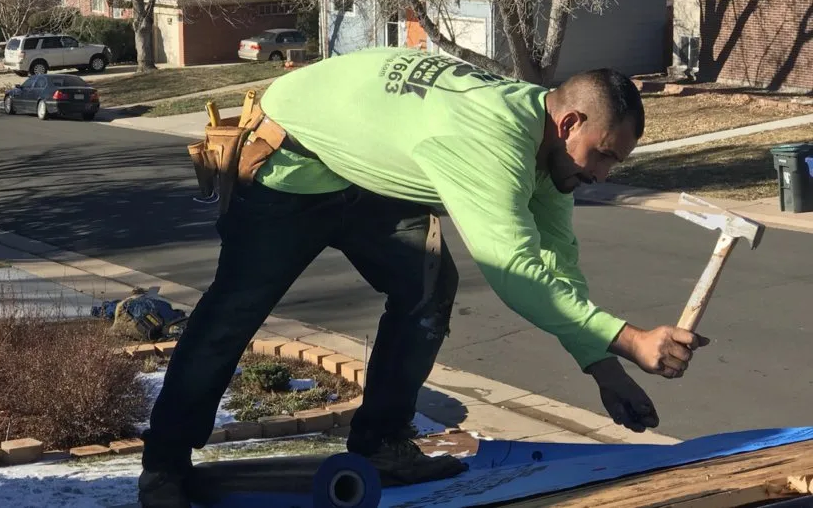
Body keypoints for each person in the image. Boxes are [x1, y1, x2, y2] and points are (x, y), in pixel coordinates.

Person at [138, 47, 708, 507]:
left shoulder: (551, 153)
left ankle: (381, 442)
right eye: (603, 156)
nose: (602, 175)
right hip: (294, 155)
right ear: (570, 122)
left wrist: (604, 366)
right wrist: (630, 337)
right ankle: (164, 465)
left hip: (368, 172)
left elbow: (553, 266)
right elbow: (512, 269)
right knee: (233, 310)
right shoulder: (492, 141)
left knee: (427, 286)